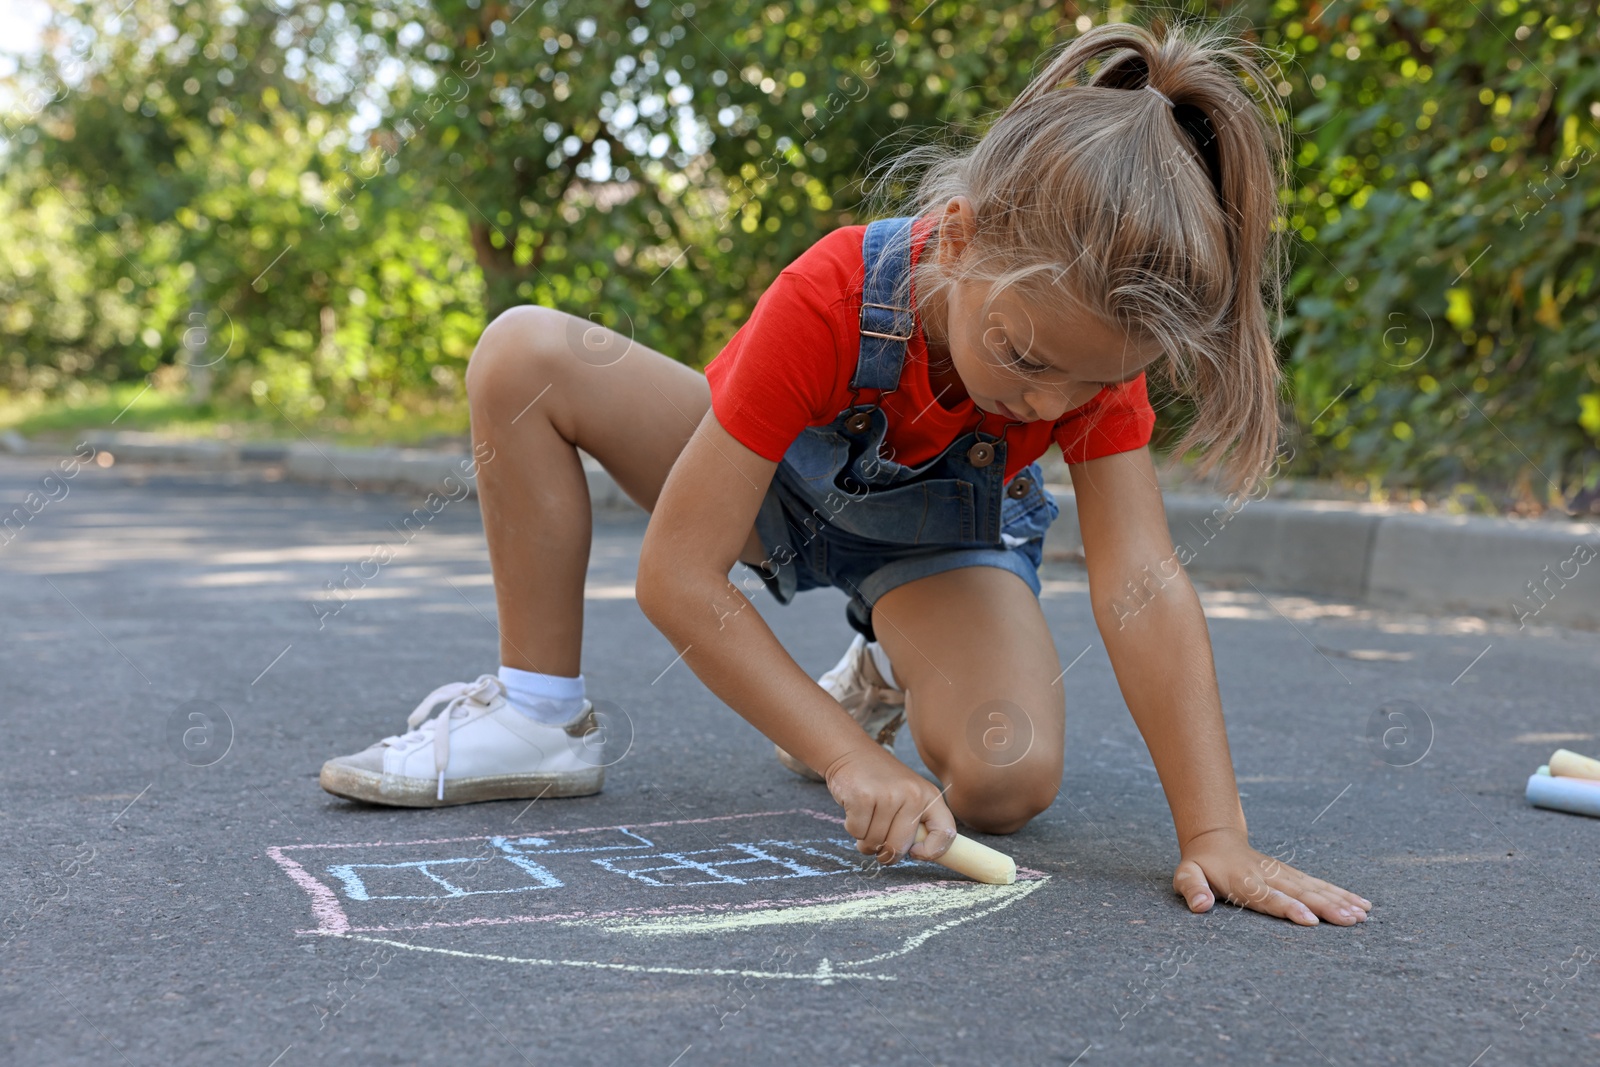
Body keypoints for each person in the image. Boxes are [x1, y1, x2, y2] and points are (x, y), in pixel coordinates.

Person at [321, 19, 1373, 927]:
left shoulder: (1086, 360)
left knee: (1005, 778)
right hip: (767, 487)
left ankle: (883, 661)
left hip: (938, 542)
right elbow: (677, 575)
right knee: (524, 351)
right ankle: (537, 713)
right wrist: (847, 761)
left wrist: (1214, 830)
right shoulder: (831, 291)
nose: (1047, 407)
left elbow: (1140, 582)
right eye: (1024, 358)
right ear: (956, 239)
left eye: (1083, 386)